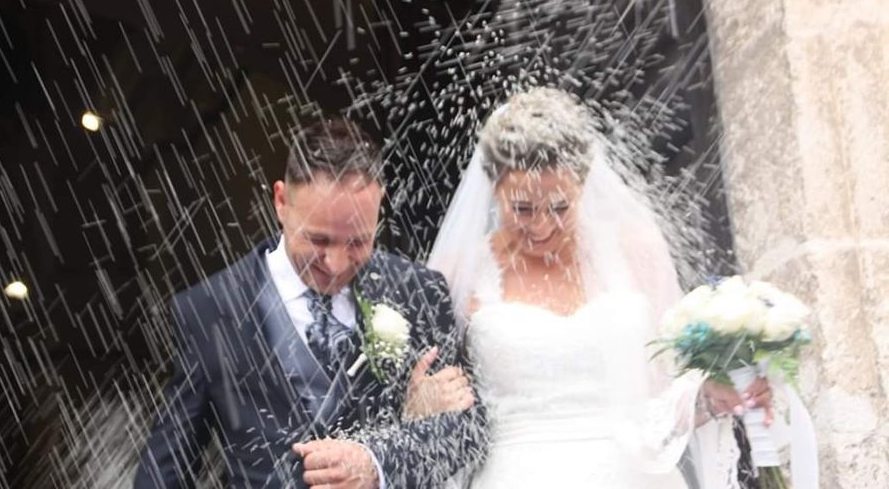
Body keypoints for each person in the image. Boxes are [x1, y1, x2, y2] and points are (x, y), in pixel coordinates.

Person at [422, 87, 776, 488]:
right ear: (493, 187)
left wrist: (712, 395)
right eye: (521, 208)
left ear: (583, 183)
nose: (540, 226)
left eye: (559, 207)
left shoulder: (634, 248)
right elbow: (437, 411)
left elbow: (665, 390)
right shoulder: (461, 268)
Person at [133, 119, 488, 489]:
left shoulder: (419, 292)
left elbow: (468, 432)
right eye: (318, 239)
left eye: (356, 242)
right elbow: (166, 467)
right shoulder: (209, 309)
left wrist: (380, 462)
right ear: (281, 201)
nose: (335, 264)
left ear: (380, 204)